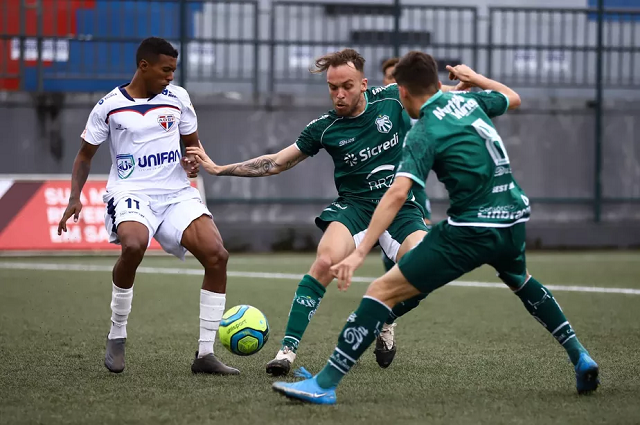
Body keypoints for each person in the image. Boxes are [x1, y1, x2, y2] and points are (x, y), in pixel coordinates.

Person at [271, 51, 599, 404]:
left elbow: (397, 193)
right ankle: (580, 355)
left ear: (405, 94)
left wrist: (360, 252)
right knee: (520, 280)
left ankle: (324, 384)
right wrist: (475, 77)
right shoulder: (466, 101)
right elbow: (513, 97)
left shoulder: (423, 130)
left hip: (470, 229)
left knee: (379, 292)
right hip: (514, 214)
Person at [187, 48, 459, 376]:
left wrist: (471, 84)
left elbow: (444, 94)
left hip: (400, 207)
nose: (339, 94)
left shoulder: (391, 98)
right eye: (332, 87)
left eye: (346, 85)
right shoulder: (324, 128)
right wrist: (219, 169)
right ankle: (286, 352)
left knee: (424, 270)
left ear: (363, 83)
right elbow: (275, 162)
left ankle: (384, 318)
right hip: (355, 206)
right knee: (325, 262)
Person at [57, 37, 239, 376]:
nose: (171, 76)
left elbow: (192, 144)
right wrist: (73, 197)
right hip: (131, 192)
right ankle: (118, 331)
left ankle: (205, 354)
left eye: (174, 70)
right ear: (144, 66)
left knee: (218, 256)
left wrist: (191, 161)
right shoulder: (109, 106)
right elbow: (85, 155)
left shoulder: (179, 98)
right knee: (134, 245)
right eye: (166, 69)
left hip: (175, 194)